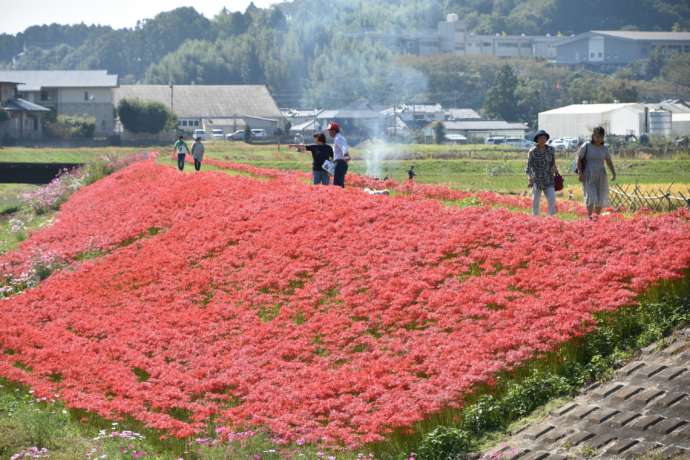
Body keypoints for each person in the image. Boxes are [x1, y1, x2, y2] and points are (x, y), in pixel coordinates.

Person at [577, 126, 616, 220]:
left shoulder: (604, 148)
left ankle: (596, 218)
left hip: (601, 175)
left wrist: (613, 173)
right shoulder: (586, 146)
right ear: (593, 136)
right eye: (597, 136)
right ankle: (590, 217)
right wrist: (580, 172)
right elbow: (579, 159)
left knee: (600, 197)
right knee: (591, 196)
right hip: (588, 174)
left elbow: (608, 161)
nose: (599, 139)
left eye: (601, 137)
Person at [526, 129, 558, 216]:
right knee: (535, 201)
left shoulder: (551, 150)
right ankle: (535, 218)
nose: (543, 140)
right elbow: (529, 166)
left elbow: (553, 163)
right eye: (540, 138)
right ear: (537, 139)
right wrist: (530, 178)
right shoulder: (532, 151)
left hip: (549, 179)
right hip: (537, 179)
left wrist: (555, 171)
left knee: (552, 199)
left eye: (544, 138)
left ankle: (551, 218)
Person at [328, 122, 349, 188]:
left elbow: (344, 148)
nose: (329, 133)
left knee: (338, 184)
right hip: (339, 162)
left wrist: (346, 157)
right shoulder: (338, 138)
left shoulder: (338, 138)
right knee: (337, 183)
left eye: (330, 131)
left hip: (340, 163)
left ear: (334, 131)